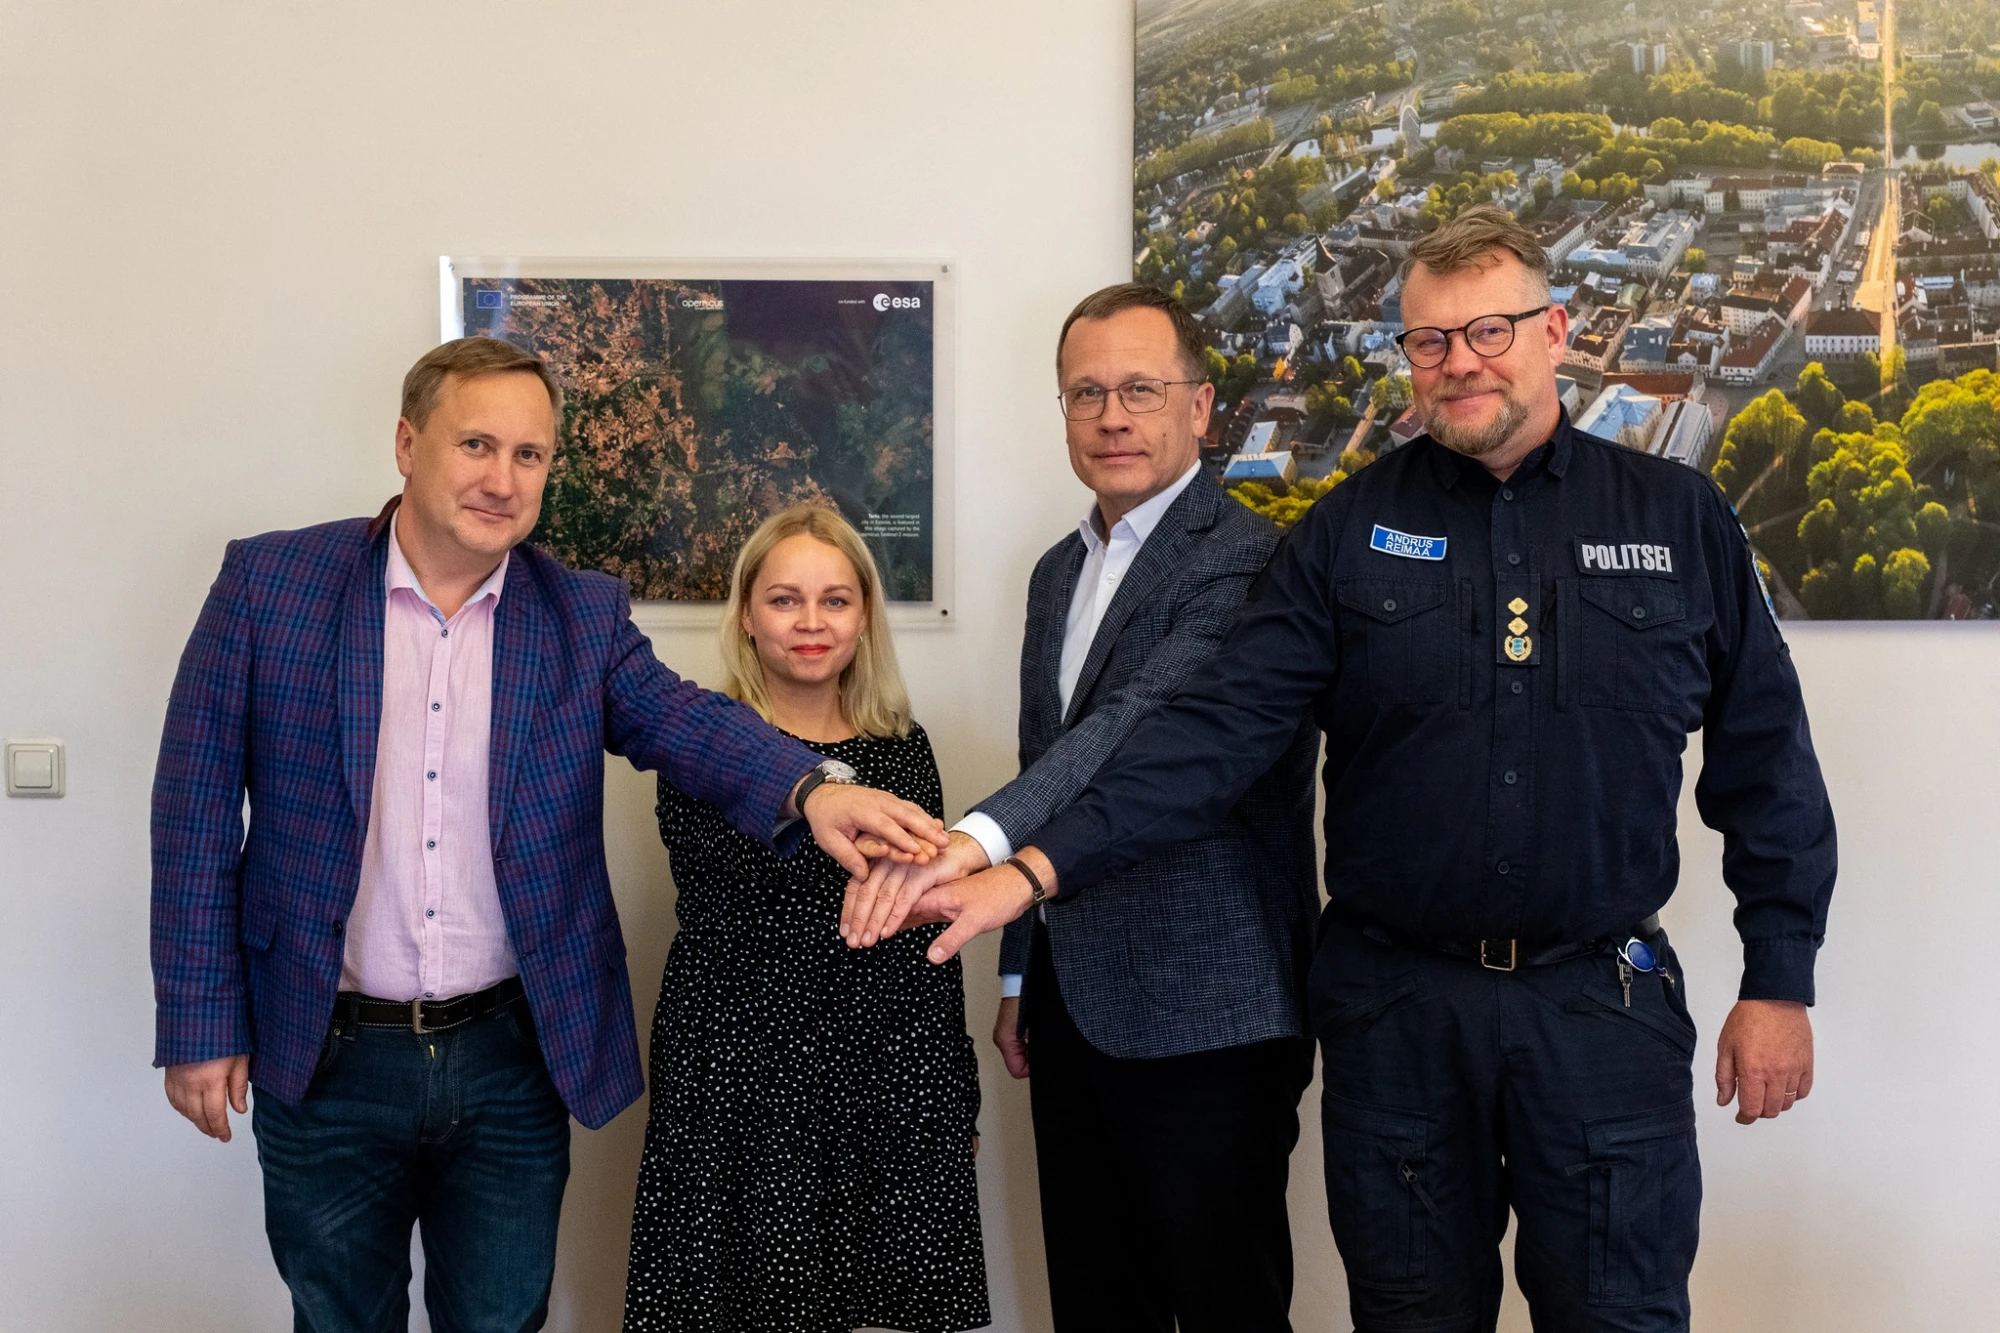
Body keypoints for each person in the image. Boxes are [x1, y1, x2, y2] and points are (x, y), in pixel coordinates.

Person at [872, 207, 1838, 1332]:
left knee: (1618, 1314)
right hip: (1398, 1017)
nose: (1459, 361)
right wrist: (1031, 868)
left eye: (1488, 329)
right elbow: (1208, 733)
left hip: (1599, 1010)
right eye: (1428, 340)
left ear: (1555, 331)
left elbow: (1766, 757)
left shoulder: (1677, 519)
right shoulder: (1345, 531)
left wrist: (1778, 979)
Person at [150, 337, 949, 1333]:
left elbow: (677, 718)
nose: (503, 478)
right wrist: (202, 1023)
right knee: (340, 1316)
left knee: (502, 1319)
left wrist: (810, 788)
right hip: (326, 1047)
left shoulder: (577, 610)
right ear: (407, 443)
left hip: (509, 1057)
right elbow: (192, 812)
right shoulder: (272, 585)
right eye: (476, 444)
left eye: (529, 455)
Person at [843, 283, 1320, 1332]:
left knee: (1227, 1309)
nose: (1112, 416)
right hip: (1072, 1007)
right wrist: (1021, 974)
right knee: (1097, 1307)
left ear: (1201, 406)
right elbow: (1045, 754)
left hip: (1210, 1015)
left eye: (1140, 389)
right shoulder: (1059, 571)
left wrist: (971, 845)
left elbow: (1133, 730)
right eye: (1086, 393)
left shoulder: (1249, 561)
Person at [623, 504, 987, 1333]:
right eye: (785, 599)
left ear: (864, 618)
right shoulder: (707, 743)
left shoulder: (904, 747)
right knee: (747, 1303)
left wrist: (954, 1090)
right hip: (743, 1073)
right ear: (748, 616)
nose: (811, 622)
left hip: (885, 1066)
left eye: (835, 600)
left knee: (868, 1298)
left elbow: (927, 929)